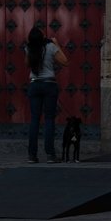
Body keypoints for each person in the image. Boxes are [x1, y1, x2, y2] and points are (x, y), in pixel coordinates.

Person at [24, 25, 67, 163]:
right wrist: (57, 44)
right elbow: (64, 61)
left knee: (35, 120)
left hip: (34, 84)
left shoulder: (29, 48)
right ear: (43, 37)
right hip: (49, 84)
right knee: (49, 119)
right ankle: (50, 155)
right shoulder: (50, 47)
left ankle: (32, 155)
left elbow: (27, 64)